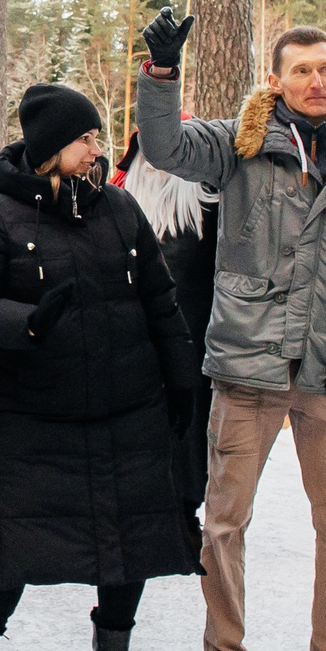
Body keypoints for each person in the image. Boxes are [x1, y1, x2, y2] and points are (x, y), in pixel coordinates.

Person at [135, 12, 326, 651]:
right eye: (301, 70)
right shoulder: (241, 141)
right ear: (276, 79)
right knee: (225, 522)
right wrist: (162, 73)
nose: (316, 81)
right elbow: (163, 146)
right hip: (248, 362)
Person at [0, 83, 198, 651]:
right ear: (53, 145)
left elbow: (160, 301)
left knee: (128, 540)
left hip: (127, 407)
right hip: (36, 417)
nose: (97, 149)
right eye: (86, 138)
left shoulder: (119, 207)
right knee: (12, 544)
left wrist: (181, 381)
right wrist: (27, 321)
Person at [113, 128, 219, 540]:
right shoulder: (116, 205)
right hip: (131, 342)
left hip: (192, 339)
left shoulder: (208, 208)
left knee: (188, 428)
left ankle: (183, 508)